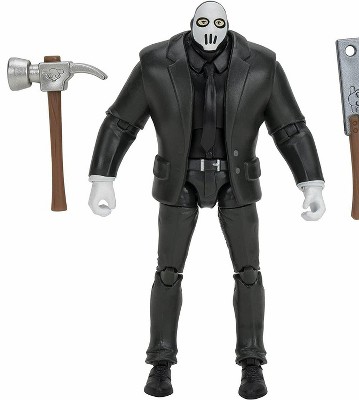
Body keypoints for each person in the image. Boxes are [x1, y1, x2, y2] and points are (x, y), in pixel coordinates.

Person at [88, 2, 326, 398]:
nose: (210, 30)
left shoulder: (262, 65)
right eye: (203, 22)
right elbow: (121, 122)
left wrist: (311, 182)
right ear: (192, 24)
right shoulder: (154, 63)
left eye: (218, 23)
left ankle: (252, 362)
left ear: (228, 25)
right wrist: (103, 177)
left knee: (249, 272)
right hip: (178, 178)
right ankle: (160, 361)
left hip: (237, 178)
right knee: (168, 271)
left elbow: (290, 128)